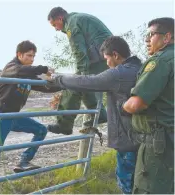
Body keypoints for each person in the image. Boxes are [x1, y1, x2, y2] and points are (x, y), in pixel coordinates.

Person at [47, 36, 141, 194]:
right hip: (143, 137)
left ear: (116, 55)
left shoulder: (119, 74)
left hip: (128, 139)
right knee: (142, 181)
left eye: (107, 58)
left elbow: (87, 81)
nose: (107, 63)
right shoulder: (141, 67)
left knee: (127, 182)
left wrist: (58, 78)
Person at [0, 40, 58, 182]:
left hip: (14, 115)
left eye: (33, 57)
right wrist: (44, 69)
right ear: (19, 54)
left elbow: (44, 87)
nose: (31, 59)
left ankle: (23, 161)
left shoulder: (28, 74)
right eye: (29, 56)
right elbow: (20, 71)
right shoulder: (11, 68)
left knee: (41, 130)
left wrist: (64, 85)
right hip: (1, 114)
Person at [122, 17, 174, 194]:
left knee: (149, 189)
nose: (146, 39)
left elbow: (136, 104)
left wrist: (125, 105)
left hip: (160, 145)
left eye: (150, 34)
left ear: (166, 37)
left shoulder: (161, 61)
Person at [47, 7, 113, 135]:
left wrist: (78, 77)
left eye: (55, 24)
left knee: (72, 84)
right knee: (83, 85)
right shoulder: (78, 18)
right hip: (106, 57)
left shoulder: (72, 23)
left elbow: (79, 52)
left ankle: (64, 125)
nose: (56, 28)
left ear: (60, 18)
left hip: (103, 59)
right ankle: (100, 114)